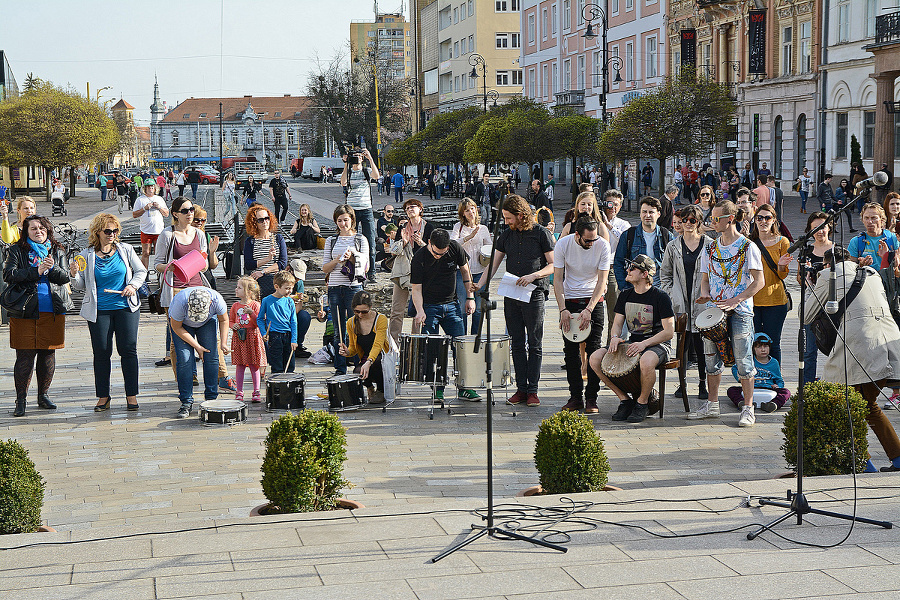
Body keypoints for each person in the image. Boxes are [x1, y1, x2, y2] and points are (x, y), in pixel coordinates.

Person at [803, 247, 900, 473]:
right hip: (888, 343)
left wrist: (810, 286)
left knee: (843, 408)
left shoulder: (829, 275)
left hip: (860, 348)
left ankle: (864, 464)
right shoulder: (871, 273)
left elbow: (806, 315)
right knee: (867, 406)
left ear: (828, 264)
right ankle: (894, 459)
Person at [690, 200, 765, 426]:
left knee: (743, 360)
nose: (711, 222)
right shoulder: (710, 247)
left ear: (730, 219)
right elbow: (705, 279)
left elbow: (759, 281)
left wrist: (737, 299)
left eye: (715, 219)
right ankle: (712, 405)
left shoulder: (747, 247)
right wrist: (705, 295)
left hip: (740, 311)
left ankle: (748, 408)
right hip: (714, 312)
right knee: (711, 359)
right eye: (711, 218)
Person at [477, 195, 555, 407]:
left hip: (534, 292)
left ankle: (533, 390)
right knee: (517, 343)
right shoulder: (506, 235)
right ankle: (521, 389)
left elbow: (553, 265)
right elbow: (492, 264)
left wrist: (534, 275)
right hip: (512, 293)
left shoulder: (541, 233)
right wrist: (480, 285)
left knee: (535, 343)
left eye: (509, 218)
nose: (506, 222)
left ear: (521, 216)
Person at [70, 213, 146, 412]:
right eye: (108, 231)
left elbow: (141, 271)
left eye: (115, 231)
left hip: (125, 307)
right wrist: (73, 274)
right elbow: (80, 286)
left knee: (128, 350)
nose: (112, 234)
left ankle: (131, 395)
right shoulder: (86, 255)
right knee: (102, 353)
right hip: (99, 310)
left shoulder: (126, 250)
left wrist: (132, 285)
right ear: (98, 232)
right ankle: (103, 396)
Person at [589, 254, 675, 423]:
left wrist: (644, 344)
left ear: (644, 274)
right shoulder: (625, 295)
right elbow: (617, 323)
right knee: (595, 358)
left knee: (646, 361)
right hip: (633, 342)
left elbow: (669, 332)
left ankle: (642, 403)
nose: (627, 270)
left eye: (633, 268)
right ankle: (624, 400)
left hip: (657, 344)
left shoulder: (660, 297)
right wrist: (614, 337)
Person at [4, 216, 73, 417]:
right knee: (24, 356)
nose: (38, 231)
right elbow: (9, 275)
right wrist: (36, 271)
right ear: (26, 232)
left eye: (41, 228)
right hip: (25, 311)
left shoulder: (56, 250)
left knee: (48, 354)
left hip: (51, 310)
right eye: (33, 228)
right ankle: (21, 399)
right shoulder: (17, 250)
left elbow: (64, 277)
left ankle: (43, 395)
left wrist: (52, 268)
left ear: (47, 230)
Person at [410, 228, 480, 401]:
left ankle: (465, 387)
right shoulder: (419, 257)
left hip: (452, 304)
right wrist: (420, 311)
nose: (439, 256)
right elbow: (416, 289)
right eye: (436, 253)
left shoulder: (455, 248)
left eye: (443, 253)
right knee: (434, 350)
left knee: (461, 347)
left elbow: (465, 271)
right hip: (429, 306)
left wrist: (470, 297)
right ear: (429, 244)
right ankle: (438, 388)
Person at [555, 217, 610, 414]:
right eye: (587, 240)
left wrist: (589, 309)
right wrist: (563, 310)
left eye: (594, 239)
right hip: (569, 299)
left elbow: (602, 281)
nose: (591, 243)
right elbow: (558, 280)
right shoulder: (563, 244)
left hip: (594, 299)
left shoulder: (602, 245)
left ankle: (592, 398)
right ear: (577, 235)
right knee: (570, 351)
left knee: (594, 350)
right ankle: (575, 397)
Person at [660, 204, 713, 400]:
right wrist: (671, 295)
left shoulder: (709, 244)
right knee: (682, 346)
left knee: (702, 347)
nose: (688, 224)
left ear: (699, 222)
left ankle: (702, 384)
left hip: (702, 303)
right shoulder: (673, 246)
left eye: (692, 220)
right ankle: (681, 384)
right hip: (680, 304)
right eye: (685, 220)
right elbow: (664, 274)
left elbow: (715, 274)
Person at [169, 287, 229, 418]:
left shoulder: (217, 300)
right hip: (182, 325)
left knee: (212, 357)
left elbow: (224, 320)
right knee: (185, 359)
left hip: (207, 322)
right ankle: (186, 402)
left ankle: (211, 399)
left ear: (210, 304)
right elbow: (176, 327)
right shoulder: (180, 302)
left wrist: (224, 342)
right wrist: (197, 346)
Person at [323, 205, 369, 375]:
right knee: (338, 330)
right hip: (335, 288)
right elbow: (325, 268)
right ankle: (340, 368)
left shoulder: (360, 239)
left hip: (354, 288)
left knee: (356, 328)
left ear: (352, 220)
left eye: (346, 220)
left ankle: (358, 365)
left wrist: (353, 258)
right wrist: (337, 261)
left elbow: (366, 267)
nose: (343, 224)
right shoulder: (331, 241)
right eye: (339, 220)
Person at [749, 203, 792, 364]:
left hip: (775, 299)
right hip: (752, 300)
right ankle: (754, 379)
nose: (763, 221)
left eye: (768, 218)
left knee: (773, 343)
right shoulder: (748, 242)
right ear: (755, 220)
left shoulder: (783, 242)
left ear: (774, 220)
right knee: (753, 343)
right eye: (759, 218)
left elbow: (783, 275)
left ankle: (775, 380)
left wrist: (781, 265)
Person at [389, 198, 432, 342]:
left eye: (413, 207)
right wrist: (404, 241)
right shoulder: (402, 229)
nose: (410, 210)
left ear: (420, 209)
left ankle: (416, 341)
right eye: (407, 208)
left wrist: (422, 243)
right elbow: (393, 251)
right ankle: (393, 344)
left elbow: (435, 251)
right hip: (402, 273)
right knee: (396, 310)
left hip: (421, 273)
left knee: (418, 310)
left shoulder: (429, 227)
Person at [797, 212, 833, 385]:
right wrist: (806, 275)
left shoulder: (836, 250)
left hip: (832, 304)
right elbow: (798, 278)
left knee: (835, 350)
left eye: (823, 227)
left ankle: (834, 384)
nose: (820, 231)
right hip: (811, 302)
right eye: (815, 228)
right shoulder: (806, 250)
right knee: (809, 350)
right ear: (810, 230)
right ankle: (808, 386)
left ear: (829, 228)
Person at [339, 290, 391, 404]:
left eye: (364, 312)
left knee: (376, 362)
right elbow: (353, 348)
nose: (360, 315)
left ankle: (381, 390)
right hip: (366, 357)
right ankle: (369, 387)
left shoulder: (380, 319)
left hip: (381, 356)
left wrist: (369, 361)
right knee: (357, 372)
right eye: (357, 311)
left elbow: (378, 345)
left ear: (370, 307)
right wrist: (347, 352)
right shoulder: (351, 323)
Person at [449, 199, 492, 334]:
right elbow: (452, 243)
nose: (471, 212)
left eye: (472, 208)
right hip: (462, 272)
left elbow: (489, 247)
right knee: (462, 306)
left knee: (479, 308)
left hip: (480, 271)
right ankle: (462, 337)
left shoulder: (483, 228)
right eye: (467, 210)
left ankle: (475, 337)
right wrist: (469, 237)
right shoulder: (458, 227)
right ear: (462, 213)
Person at [613, 196, 672, 290]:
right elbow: (618, 263)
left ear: (658, 214)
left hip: (661, 288)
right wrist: (625, 288)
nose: (647, 215)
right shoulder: (629, 235)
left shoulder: (666, 236)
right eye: (644, 212)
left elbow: (674, 265)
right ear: (640, 214)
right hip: (635, 288)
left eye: (651, 212)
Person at [341, 148, 379, 282]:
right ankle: (354, 269)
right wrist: (346, 164)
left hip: (366, 208)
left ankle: (372, 271)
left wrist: (370, 157)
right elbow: (343, 182)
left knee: (370, 240)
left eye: (358, 157)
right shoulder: (349, 172)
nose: (356, 160)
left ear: (362, 158)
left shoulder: (366, 171)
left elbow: (377, 176)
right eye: (354, 157)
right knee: (352, 240)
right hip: (352, 210)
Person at [229, 276, 266, 403]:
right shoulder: (235, 305)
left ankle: (256, 391)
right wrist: (232, 326)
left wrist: (252, 313)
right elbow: (231, 320)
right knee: (240, 365)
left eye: (239, 287)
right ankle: (239, 391)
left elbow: (258, 323)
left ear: (249, 292)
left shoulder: (255, 305)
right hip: (240, 337)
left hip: (253, 337)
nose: (236, 289)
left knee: (254, 365)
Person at [258, 270, 299, 375]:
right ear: (277, 287)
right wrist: (264, 333)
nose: (290, 291)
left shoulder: (290, 301)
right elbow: (260, 319)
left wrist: (294, 340)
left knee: (290, 366)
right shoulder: (266, 300)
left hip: (288, 335)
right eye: (287, 288)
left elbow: (293, 321)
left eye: (291, 288)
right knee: (276, 365)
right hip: (274, 335)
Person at [243, 205, 288, 298]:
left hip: (274, 279)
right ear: (254, 223)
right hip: (258, 282)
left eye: (267, 218)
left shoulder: (278, 238)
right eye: (261, 220)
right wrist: (267, 259)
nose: (265, 222)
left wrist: (263, 271)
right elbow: (248, 264)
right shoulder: (250, 241)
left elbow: (282, 263)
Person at [132, 181, 170, 270]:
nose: (150, 188)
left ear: (155, 188)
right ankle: (145, 273)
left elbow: (167, 214)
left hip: (159, 231)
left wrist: (159, 207)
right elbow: (134, 215)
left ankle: (159, 272)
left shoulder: (159, 199)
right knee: (146, 253)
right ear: (145, 188)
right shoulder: (140, 200)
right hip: (146, 230)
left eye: (152, 187)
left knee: (159, 254)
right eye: (148, 187)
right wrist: (144, 209)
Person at [849, 202, 898, 268]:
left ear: (882, 220)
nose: (869, 221)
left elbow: (897, 267)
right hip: (866, 277)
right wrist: (861, 265)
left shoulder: (893, 239)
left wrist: (887, 257)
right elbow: (850, 268)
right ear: (862, 220)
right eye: (866, 218)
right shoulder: (856, 241)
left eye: (873, 218)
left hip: (887, 277)